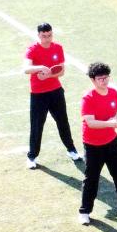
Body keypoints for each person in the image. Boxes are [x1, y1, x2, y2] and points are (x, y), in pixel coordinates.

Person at [77, 61, 117, 224]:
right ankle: (84, 211)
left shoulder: (113, 93)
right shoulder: (88, 98)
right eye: (100, 78)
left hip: (112, 141)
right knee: (91, 179)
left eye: (106, 77)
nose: (104, 81)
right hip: (93, 145)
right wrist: (110, 124)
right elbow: (90, 122)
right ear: (93, 80)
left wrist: (116, 120)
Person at [23, 22, 79, 168]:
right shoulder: (32, 49)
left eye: (49, 35)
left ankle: (71, 150)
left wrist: (47, 76)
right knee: (37, 126)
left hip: (56, 92)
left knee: (63, 122)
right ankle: (32, 156)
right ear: (38, 35)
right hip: (38, 95)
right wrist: (41, 68)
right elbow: (26, 69)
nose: (47, 39)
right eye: (44, 36)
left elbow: (61, 71)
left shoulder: (58, 48)